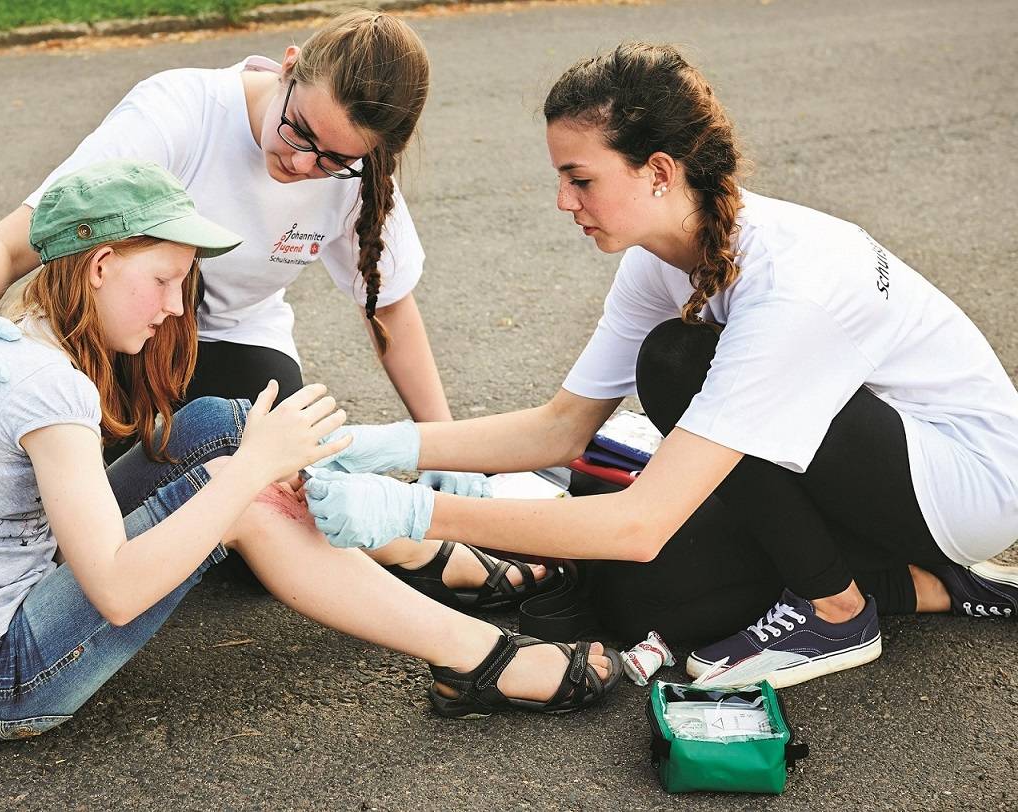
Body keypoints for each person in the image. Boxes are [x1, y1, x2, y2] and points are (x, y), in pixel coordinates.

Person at [300, 43, 1018, 690]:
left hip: (957, 486)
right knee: (642, 599)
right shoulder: (662, 256)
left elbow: (641, 522)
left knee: (676, 363)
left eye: (579, 178)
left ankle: (839, 612)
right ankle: (927, 585)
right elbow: (559, 431)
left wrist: (411, 513)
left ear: (660, 172)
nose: (562, 201)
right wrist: (375, 445)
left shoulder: (791, 285)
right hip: (861, 473)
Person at [0, 160, 616, 738]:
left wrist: (253, 457)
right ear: (100, 265)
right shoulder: (48, 386)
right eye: (165, 279)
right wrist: (252, 474)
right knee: (246, 495)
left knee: (222, 422)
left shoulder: (21, 330)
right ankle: (482, 660)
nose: (176, 307)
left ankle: (415, 552)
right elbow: (115, 587)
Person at [0, 8, 556, 610]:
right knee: (80, 540)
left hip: (232, 343)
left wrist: (441, 448)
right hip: (113, 350)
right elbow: (5, 245)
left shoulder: (360, 180)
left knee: (279, 534)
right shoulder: (178, 113)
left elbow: (389, 310)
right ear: (286, 65)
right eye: (298, 131)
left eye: (334, 159)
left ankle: (414, 551)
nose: (303, 163)